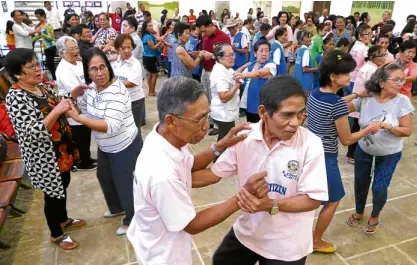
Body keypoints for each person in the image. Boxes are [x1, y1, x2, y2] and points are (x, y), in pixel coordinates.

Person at [126, 75, 264, 265]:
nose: (206, 126)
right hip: (164, 256)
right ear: (172, 120)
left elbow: (189, 164)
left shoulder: (165, 136)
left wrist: (221, 145)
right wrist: (242, 197)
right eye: (199, 120)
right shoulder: (161, 174)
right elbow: (192, 224)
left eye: (207, 116)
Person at [192, 75, 329, 265]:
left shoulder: (310, 144)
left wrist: (270, 205)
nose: (296, 123)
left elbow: (313, 199)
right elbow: (212, 175)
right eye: (287, 115)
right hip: (248, 233)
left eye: (300, 114)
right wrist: (171, 177)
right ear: (263, 112)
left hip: (287, 246)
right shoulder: (245, 137)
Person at [4, 48, 86, 250]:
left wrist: (72, 96)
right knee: (52, 194)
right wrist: (57, 111)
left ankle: (64, 219)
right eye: (31, 67)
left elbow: (58, 103)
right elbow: (32, 133)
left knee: (63, 185)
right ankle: (56, 234)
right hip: (44, 156)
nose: (38, 69)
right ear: (16, 74)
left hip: (61, 151)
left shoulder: (42, 87)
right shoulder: (16, 97)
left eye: (37, 64)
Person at [307, 50, 382, 253]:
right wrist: (368, 129)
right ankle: (315, 240)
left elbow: (337, 105)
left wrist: (357, 94)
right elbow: (347, 139)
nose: (351, 77)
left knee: (313, 196)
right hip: (326, 156)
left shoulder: (315, 93)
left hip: (309, 152)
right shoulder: (337, 105)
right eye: (347, 74)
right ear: (333, 76)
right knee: (334, 199)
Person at [67, 48, 143, 236]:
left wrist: (79, 119)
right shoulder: (90, 88)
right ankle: (117, 207)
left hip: (124, 145)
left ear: (108, 67)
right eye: (93, 69)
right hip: (105, 145)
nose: (99, 73)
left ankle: (132, 218)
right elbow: (84, 109)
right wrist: (73, 96)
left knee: (125, 183)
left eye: (103, 67)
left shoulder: (117, 90)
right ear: (87, 71)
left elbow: (111, 126)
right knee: (105, 177)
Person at [346, 64, 414, 234]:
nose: (400, 83)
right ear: (382, 82)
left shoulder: (402, 101)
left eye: (402, 80)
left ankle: (375, 215)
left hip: (389, 153)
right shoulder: (367, 97)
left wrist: (389, 127)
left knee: (379, 187)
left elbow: (407, 131)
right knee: (360, 182)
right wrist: (356, 94)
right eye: (396, 80)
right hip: (364, 149)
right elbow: (339, 107)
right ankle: (359, 212)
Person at [55, 36, 97, 171]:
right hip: (75, 107)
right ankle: (83, 162)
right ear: (62, 52)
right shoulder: (63, 69)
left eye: (76, 48)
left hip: (86, 105)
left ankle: (87, 157)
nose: (76, 51)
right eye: (72, 49)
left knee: (86, 133)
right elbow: (77, 89)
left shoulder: (78, 63)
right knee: (79, 135)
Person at [346, 45, 386, 163]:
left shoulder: (368, 67)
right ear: (373, 56)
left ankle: (351, 154)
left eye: (384, 54)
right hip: (363, 104)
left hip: (360, 104)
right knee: (359, 130)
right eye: (381, 55)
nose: (384, 58)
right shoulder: (371, 70)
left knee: (356, 128)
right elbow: (371, 89)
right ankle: (352, 155)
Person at [196, 15, 231, 136]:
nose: (204, 34)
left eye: (205, 30)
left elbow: (228, 57)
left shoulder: (223, 37)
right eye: (202, 32)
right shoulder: (204, 37)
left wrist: (211, 56)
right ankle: (210, 120)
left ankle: (218, 124)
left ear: (211, 25)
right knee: (206, 97)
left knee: (217, 98)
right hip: (205, 71)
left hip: (217, 72)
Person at [236, 38, 276, 123]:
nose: (264, 54)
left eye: (267, 51)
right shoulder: (252, 64)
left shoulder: (271, 65)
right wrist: (241, 70)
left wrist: (243, 75)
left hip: (262, 103)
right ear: (255, 53)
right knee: (252, 126)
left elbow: (259, 74)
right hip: (249, 102)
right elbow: (240, 77)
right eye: (261, 51)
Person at [112, 34, 146, 130]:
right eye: (123, 48)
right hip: (120, 100)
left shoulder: (135, 64)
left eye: (129, 47)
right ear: (118, 48)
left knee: (134, 128)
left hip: (134, 101)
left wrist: (112, 83)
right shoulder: (115, 62)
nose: (127, 51)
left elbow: (131, 83)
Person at [210, 43, 241, 142]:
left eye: (233, 54)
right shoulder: (219, 74)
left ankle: (218, 156)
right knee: (226, 141)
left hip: (226, 112)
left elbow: (234, 73)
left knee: (224, 139)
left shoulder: (225, 68)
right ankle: (218, 157)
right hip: (223, 113)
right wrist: (236, 85)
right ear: (219, 58)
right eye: (229, 55)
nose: (233, 57)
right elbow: (223, 97)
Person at [348, 25, 372, 96]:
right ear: (360, 36)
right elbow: (367, 67)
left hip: (349, 79)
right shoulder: (365, 49)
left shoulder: (353, 46)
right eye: (368, 34)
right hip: (356, 81)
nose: (371, 36)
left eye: (371, 33)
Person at [142, 20, 164, 96]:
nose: (151, 27)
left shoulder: (150, 34)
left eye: (152, 25)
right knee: (154, 74)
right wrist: (160, 43)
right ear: (145, 28)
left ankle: (151, 91)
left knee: (150, 74)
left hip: (149, 57)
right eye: (149, 26)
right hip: (149, 57)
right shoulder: (148, 36)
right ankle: (151, 91)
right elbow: (153, 48)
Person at [33, 9, 57, 80]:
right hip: (46, 47)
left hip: (51, 46)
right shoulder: (41, 25)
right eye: (36, 17)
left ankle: (55, 78)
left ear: (43, 15)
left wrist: (41, 34)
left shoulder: (48, 25)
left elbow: (51, 38)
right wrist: (32, 39)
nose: (38, 18)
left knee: (50, 64)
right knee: (49, 64)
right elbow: (39, 36)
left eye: (38, 16)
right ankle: (54, 78)